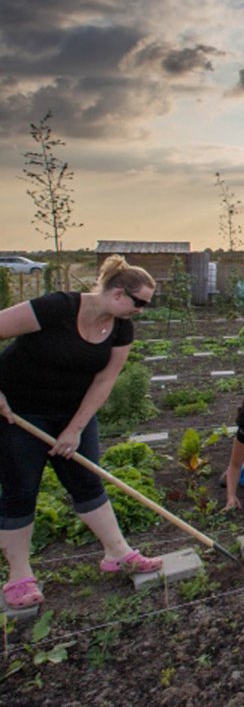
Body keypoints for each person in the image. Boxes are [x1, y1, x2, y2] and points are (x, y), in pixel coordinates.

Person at [0, 255, 163, 610]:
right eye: (140, 303)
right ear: (119, 293)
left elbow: (105, 379)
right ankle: (19, 577)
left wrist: (75, 428)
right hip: (18, 412)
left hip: (73, 412)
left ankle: (117, 553)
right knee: (20, 490)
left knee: (87, 480)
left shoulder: (121, 328)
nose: (142, 310)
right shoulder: (57, 308)